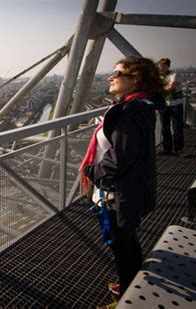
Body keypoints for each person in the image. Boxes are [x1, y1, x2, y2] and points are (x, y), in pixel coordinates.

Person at [79, 56, 163, 308]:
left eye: (118, 73)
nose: (111, 76)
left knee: (120, 245)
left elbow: (120, 158)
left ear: (135, 78)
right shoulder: (140, 106)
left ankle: (128, 295)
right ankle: (131, 280)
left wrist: (92, 171)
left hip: (118, 191)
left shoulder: (131, 111)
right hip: (129, 188)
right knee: (126, 239)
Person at [157, 58, 186, 156]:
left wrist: (158, 89)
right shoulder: (158, 77)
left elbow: (170, 87)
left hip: (176, 104)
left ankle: (179, 149)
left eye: (163, 66)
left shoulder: (174, 75)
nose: (161, 68)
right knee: (165, 128)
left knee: (177, 127)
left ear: (168, 66)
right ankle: (167, 149)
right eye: (160, 66)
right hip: (164, 105)